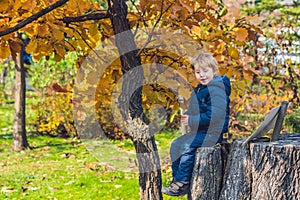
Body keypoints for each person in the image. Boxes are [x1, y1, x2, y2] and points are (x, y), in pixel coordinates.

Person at [162, 52, 231, 196]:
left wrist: (193, 120)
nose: (202, 75)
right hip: (201, 131)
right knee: (176, 144)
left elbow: (216, 115)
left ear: (214, 70)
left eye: (206, 71)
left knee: (188, 147)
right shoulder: (200, 89)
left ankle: (183, 182)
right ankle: (178, 180)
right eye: (198, 72)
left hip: (213, 133)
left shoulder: (217, 89)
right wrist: (188, 113)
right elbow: (196, 107)